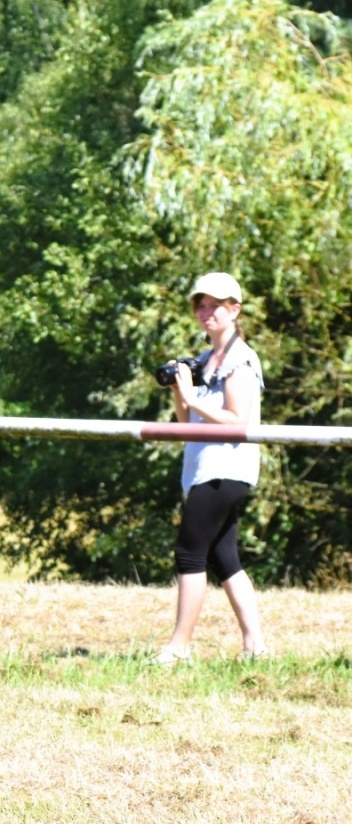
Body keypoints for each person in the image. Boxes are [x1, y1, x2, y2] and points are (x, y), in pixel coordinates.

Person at [156, 271, 267, 665]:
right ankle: (255, 647)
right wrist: (179, 390)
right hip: (207, 468)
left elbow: (238, 420)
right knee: (224, 559)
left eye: (215, 305)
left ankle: (178, 648)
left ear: (235, 309)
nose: (206, 312)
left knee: (189, 553)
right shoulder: (206, 359)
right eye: (200, 305)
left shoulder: (241, 360)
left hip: (226, 468)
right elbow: (187, 421)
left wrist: (191, 394)